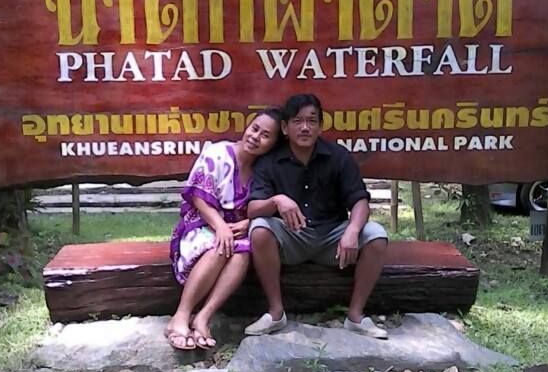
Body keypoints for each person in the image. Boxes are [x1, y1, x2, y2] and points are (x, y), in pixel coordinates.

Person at [245, 93, 389, 339]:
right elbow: (252, 209)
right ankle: (276, 313)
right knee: (259, 228)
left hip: (333, 239)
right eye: (298, 121)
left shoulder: (338, 156)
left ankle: (355, 316)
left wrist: (352, 231)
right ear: (285, 128)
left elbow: (359, 200)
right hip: (292, 238)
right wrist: (276, 200)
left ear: (320, 126)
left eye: (312, 121)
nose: (305, 127)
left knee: (376, 235)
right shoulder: (269, 162)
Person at [165, 107, 282, 350]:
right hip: (202, 223)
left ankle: (203, 317)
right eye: (254, 129)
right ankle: (181, 316)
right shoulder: (218, 152)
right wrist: (220, 227)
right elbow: (197, 196)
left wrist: (248, 223)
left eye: (265, 135)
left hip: (237, 231)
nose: (255, 137)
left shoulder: (265, 170)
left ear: (273, 144)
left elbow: (266, 207)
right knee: (221, 246)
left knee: (242, 252)